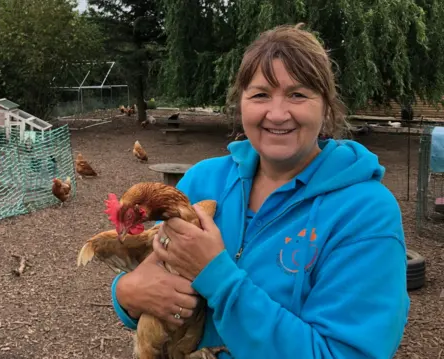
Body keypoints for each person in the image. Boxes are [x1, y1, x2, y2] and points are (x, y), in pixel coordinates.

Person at [111, 23, 410, 359]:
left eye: (297, 94)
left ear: (325, 105)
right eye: (260, 94)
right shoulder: (203, 180)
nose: (277, 114)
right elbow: (149, 277)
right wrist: (126, 294)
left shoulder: (365, 213)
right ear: (240, 103)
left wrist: (218, 278)